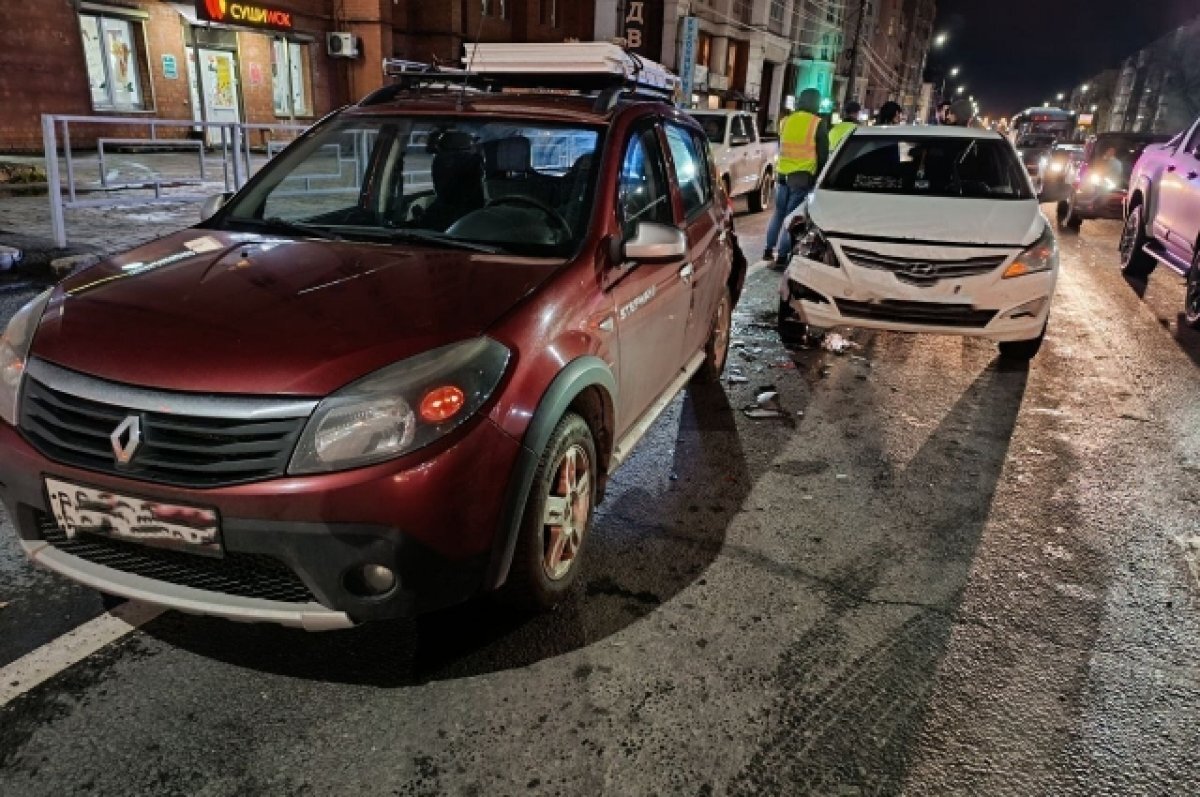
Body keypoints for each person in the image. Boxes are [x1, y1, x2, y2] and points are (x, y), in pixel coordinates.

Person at [764, 87, 829, 267]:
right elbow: (823, 154)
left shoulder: (785, 121)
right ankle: (782, 257)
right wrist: (821, 176)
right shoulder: (817, 123)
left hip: (782, 175)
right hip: (801, 177)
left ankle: (768, 249)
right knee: (792, 219)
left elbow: (781, 145)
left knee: (778, 214)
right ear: (815, 103)